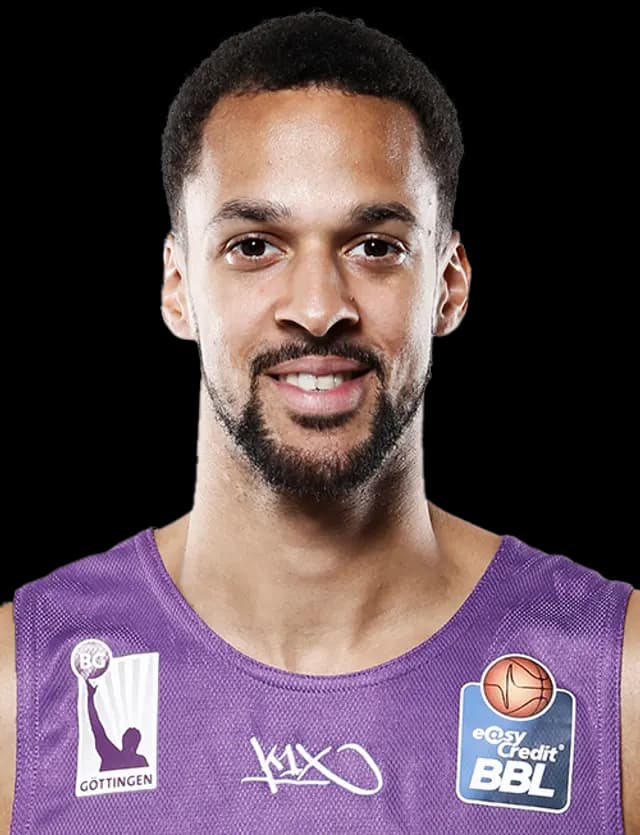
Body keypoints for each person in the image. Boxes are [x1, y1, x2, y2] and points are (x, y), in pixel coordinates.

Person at [0, 9, 637, 834]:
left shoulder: (612, 676)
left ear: (448, 286)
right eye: (254, 246)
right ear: (178, 287)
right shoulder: (25, 683)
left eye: (375, 246)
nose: (316, 307)